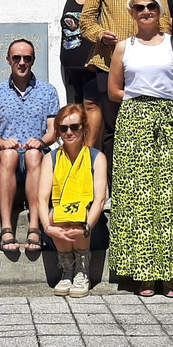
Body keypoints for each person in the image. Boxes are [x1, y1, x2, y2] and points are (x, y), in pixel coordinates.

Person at [107, 0, 173, 298]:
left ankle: (171, 273)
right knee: (138, 197)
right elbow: (113, 91)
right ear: (132, 13)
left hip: (170, 119)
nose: (145, 11)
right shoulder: (123, 47)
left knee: (171, 196)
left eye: (151, 7)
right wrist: (140, 98)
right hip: (134, 121)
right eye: (139, 7)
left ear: (160, 11)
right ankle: (144, 272)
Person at [79, 0, 172, 160]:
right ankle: (116, 187)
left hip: (146, 69)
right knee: (113, 130)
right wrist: (100, 35)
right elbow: (86, 20)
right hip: (108, 65)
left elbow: (166, 23)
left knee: (146, 129)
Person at [0, 39, 60, 252]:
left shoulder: (48, 91)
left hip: (36, 156)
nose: (22, 62)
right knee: (8, 155)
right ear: (8, 60)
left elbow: (54, 130)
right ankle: (6, 227)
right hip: (6, 158)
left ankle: (35, 226)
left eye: (27, 58)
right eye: (16, 57)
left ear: (33, 60)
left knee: (34, 155)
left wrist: (41, 141)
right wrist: (3, 142)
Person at [36, 104, 107, 298]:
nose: (69, 132)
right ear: (58, 131)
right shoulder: (51, 158)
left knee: (76, 213)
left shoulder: (96, 157)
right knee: (60, 212)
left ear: (83, 128)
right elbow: (42, 199)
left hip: (90, 226)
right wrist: (47, 228)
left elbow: (100, 200)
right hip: (58, 226)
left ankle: (82, 269)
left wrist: (86, 227)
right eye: (63, 128)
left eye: (74, 127)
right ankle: (67, 269)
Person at [60, 0, 97, 119]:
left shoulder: (100, 1)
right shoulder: (70, 0)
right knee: (77, 107)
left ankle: (91, 143)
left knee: (92, 105)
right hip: (71, 66)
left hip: (91, 65)